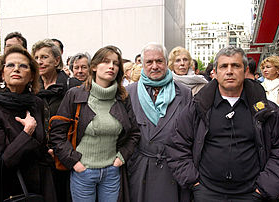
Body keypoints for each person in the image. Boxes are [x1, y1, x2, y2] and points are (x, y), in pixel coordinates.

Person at [166, 46, 279, 202]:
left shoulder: (267, 110)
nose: (229, 71)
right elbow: (176, 145)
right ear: (215, 73)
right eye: (224, 66)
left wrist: (263, 188)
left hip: (252, 194)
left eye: (236, 66)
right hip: (207, 193)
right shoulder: (197, 107)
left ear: (245, 71)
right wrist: (194, 183)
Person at [50, 45, 140, 202]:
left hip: (112, 172)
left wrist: (120, 158)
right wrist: (74, 162)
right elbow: (57, 134)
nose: (111, 66)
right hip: (83, 171)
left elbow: (134, 133)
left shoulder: (122, 98)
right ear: (94, 67)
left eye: (116, 63)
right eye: (105, 61)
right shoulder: (75, 95)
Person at [0, 45, 57, 202]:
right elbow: (2, 161)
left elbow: (40, 145)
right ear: (2, 74)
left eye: (23, 66)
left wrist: (48, 153)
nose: (16, 69)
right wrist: (27, 132)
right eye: (10, 65)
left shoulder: (36, 103)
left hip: (38, 184)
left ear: (31, 76)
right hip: (6, 189)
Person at [126, 43, 193, 202]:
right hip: (140, 167)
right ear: (142, 65)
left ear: (166, 63)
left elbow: (190, 133)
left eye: (159, 61)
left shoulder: (184, 92)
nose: (154, 66)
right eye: (149, 62)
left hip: (173, 167)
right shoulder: (129, 93)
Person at [32, 39, 81, 202]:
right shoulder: (30, 87)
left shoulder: (73, 86)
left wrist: (65, 151)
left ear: (57, 60)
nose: (39, 61)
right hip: (38, 159)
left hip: (66, 158)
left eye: (44, 57)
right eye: (36, 57)